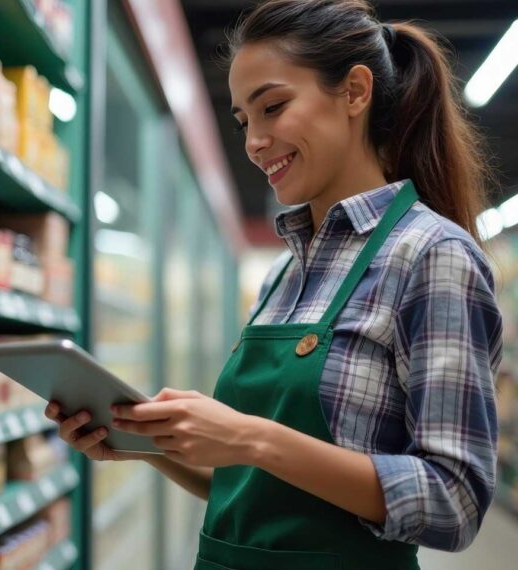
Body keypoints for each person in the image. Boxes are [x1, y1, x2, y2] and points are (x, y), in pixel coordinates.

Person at [46, 0, 503, 567]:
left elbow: (453, 503)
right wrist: (144, 446)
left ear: (356, 92)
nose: (254, 141)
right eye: (243, 121)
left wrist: (250, 437)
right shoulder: (286, 273)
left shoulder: (432, 257)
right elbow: (257, 491)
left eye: (273, 107)